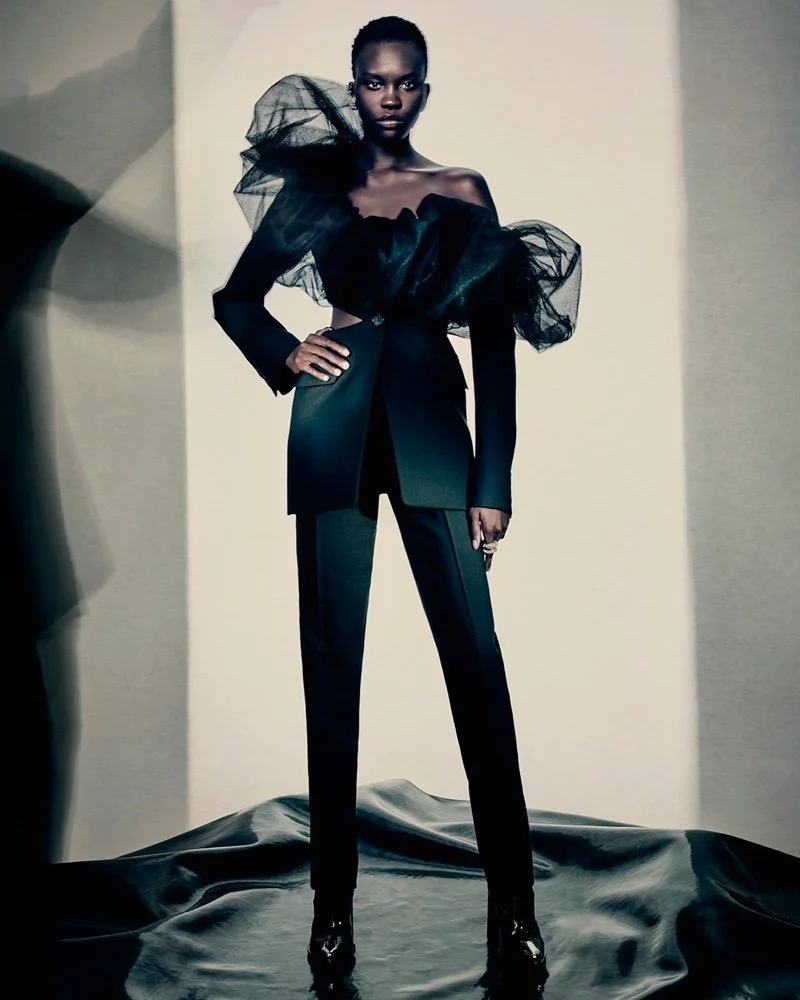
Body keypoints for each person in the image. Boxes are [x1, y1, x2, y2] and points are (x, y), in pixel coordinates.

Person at [212, 14, 581, 984]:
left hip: (432, 438)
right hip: (330, 433)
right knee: (330, 669)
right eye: (374, 81)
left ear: (424, 87)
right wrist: (285, 353)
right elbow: (236, 298)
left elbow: (493, 344)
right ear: (353, 86)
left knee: (476, 667)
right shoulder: (316, 189)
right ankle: (330, 917)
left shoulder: (461, 190)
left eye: (406, 81)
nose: (389, 96)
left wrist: (492, 480)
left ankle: (515, 913)